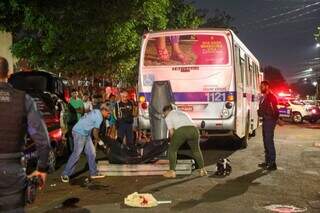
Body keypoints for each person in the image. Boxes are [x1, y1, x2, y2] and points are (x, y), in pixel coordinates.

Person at [0, 57, 50, 212]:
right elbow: (42, 140)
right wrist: (41, 168)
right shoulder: (23, 100)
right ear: (8, 74)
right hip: (12, 172)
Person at [61, 103, 111, 183]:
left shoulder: (96, 111)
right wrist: (100, 141)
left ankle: (93, 173)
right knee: (76, 154)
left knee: (91, 153)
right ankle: (65, 174)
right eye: (108, 113)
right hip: (79, 132)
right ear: (104, 110)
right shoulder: (99, 117)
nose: (108, 115)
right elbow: (95, 132)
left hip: (84, 133)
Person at [162, 104, 207, 178]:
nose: (164, 115)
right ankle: (202, 170)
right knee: (196, 150)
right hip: (194, 130)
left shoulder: (168, 116)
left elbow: (171, 132)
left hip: (181, 131)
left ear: (166, 111)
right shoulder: (183, 113)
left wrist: (172, 141)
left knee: (172, 150)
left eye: (164, 113)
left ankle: (172, 171)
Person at [258, 81, 279, 171]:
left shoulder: (271, 97)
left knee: (269, 141)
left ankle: (272, 163)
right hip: (266, 120)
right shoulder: (264, 97)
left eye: (262, 86)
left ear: (267, 86)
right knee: (265, 141)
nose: (260, 88)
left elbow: (275, 110)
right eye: (260, 86)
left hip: (270, 121)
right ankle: (267, 161)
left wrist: (276, 119)